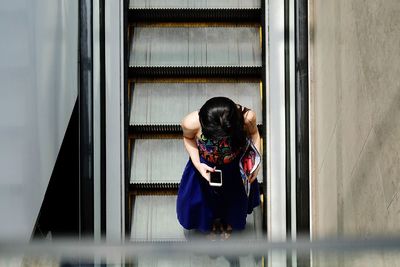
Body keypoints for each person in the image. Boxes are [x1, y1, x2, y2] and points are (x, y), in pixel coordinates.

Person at [176, 96, 261, 239]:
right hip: (205, 167)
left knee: (234, 202)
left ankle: (228, 223)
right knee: (203, 202)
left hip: (235, 168)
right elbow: (188, 138)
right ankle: (209, 224)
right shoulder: (191, 122)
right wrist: (198, 165)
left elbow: (254, 134)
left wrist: (254, 164)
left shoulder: (247, 118)